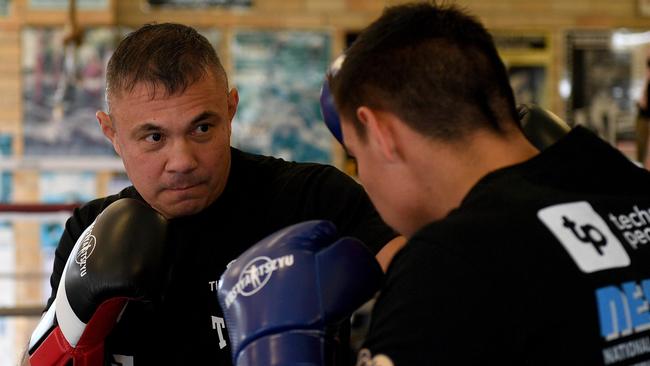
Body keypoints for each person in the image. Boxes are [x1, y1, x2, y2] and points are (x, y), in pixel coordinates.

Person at [31, 23, 402, 365]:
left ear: (231, 109)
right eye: (154, 137)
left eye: (202, 128)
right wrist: (67, 338)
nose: (182, 161)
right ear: (111, 133)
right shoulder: (90, 234)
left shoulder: (313, 198)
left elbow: (421, 285)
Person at [325, 3, 650, 365]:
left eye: (356, 155)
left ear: (383, 133)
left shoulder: (449, 263)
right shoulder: (629, 185)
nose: (362, 175)